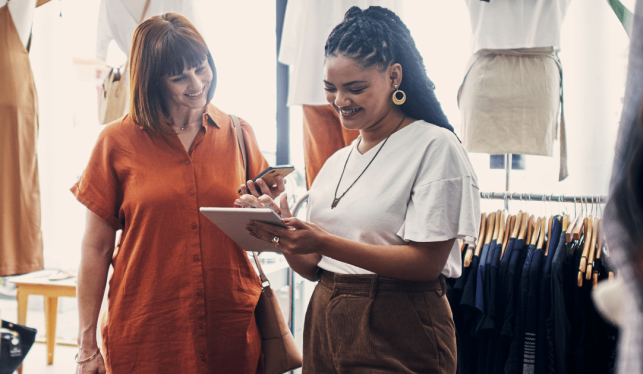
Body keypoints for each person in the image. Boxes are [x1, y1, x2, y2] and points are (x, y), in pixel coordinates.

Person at [242, 6, 480, 373]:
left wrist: (322, 241)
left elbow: (426, 264)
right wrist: (280, 229)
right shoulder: (338, 161)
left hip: (399, 324)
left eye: (355, 88)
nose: (340, 101)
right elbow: (314, 268)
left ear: (394, 77)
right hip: (324, 321)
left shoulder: (435, 146)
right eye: (330, 89)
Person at [71, 13, 284, 374]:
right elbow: (96, 249)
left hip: (231, 325)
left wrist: (268, 205)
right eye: (179, 76)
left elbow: (268, 237)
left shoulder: (238, 133)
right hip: (147, 331)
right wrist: (86, 346)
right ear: (153, 80)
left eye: (201, 68)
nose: (197, 83)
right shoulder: (115, 142)